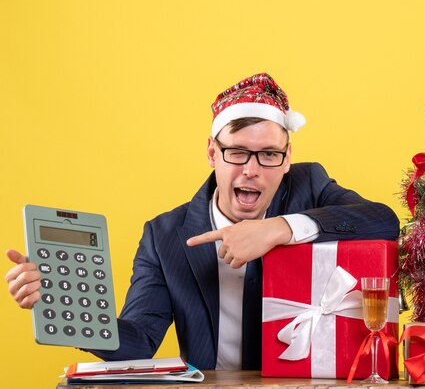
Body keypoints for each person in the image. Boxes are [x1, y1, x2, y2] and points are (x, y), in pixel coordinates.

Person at [5, 73, 399, 370]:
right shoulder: (164, 235)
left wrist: (276, 229)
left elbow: (383, 221)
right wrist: (64, 305)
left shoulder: (308, 188)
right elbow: (139, 341)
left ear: (287, 156)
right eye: (237, 153)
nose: (252, 170)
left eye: (268, 155)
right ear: (212, 152)